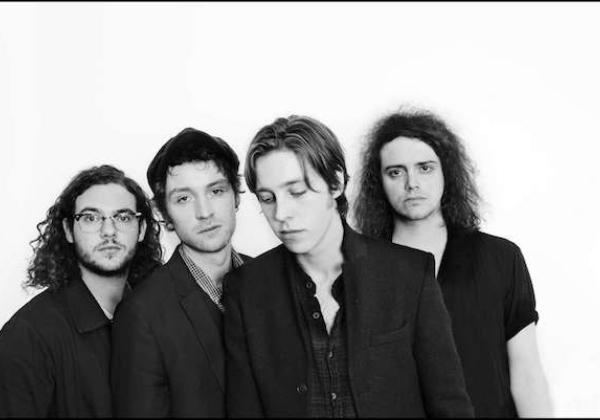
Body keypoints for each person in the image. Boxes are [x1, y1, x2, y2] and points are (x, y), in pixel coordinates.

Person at [223, 115, 474, 418]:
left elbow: (450, 405)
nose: (282, 213)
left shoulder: (409, 273)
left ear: (336, 182)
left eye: (297, 192)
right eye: (267, 198)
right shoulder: (245, 289)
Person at [353, 108, 553, 417]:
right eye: (396, 172)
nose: (412, 183)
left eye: (425, 168)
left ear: (447, 171)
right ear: (378, 181)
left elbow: (527, 375)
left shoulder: (500, 258)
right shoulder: (358, 270)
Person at [0, 165, 162, 417]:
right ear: (68, 230)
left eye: (122, 217)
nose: (108, 231)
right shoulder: (28, 335)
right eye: (90, 218)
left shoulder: (157, 316)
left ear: (141, 229)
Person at [111, 127, 251, 417]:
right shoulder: (141, 314)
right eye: (184, 198)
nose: (205, 212)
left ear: (236, 197)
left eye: (216, 191)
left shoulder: (272, 279)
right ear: (164, 214)